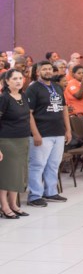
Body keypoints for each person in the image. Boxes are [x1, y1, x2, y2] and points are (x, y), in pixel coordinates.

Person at [25, 61, 72, 207]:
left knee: (53, 164)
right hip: (42, 133)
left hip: (58, 132)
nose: (47, 71)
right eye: (44, 69)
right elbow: (29, 113)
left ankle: (50, 192)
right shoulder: (33, 89)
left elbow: (64, 109)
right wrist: (35, 133)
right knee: (37, 165)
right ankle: (34, 196)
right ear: (37, 72)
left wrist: (68, 129)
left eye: (50, 69)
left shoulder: (57, 87)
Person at [0, 70, 31, 218]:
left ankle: (13, 204)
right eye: (14, 79)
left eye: (20, 78)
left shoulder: (23, 96)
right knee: (8, 175)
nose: (18, 81)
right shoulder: (4, 98)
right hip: (7, 141)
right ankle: (4, 206)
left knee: (18, 174)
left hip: (22, 139)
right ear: (7, 81)